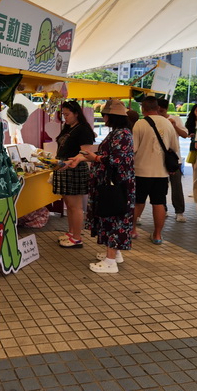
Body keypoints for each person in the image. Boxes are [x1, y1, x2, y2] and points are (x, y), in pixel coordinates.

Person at [65, 99, 134, 274]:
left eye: (105, 115)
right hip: (114, 184)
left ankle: (110, 262)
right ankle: (114, 254)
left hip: (115, 185)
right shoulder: (119, 133)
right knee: (112, 216)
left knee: (113, 218)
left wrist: (94, 158)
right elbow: (108, 154)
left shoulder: (122, 134)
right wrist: (82, 157)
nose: (103, 118)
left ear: (111, 116)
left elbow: (116, 160)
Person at [132, 96, 179, 244]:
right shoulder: (167, 123)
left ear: (143, 109)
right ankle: (157, 235)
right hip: (161, 172)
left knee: (138, 202)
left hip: (141, 171)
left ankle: (132, 230)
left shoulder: (139, 124)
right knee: (159, 203)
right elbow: (175, 148)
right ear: (157, 108)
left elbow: (133, 149)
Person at [53, 100, 95, 248]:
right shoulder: (68, 127)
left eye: (67, 114)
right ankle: (71, 233)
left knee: (76, 206)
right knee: (69, 205)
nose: (65, 117)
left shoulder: (83, 129)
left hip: (75, 168)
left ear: (76, 113)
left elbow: (85, 153)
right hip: (64, 167)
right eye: (63, 114)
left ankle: (77, 237)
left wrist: (70, 162)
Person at [157, 98, 188, 222]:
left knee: (176, 186)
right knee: (160, 187)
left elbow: (185, 134)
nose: (160, 113)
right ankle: (163, 209)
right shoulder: (154, 120)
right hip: (158, 158)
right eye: (158, 111)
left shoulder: (175, 119)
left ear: (165, 109)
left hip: (174, 159)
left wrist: (174, 126)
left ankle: (179, 212)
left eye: (162, 111)